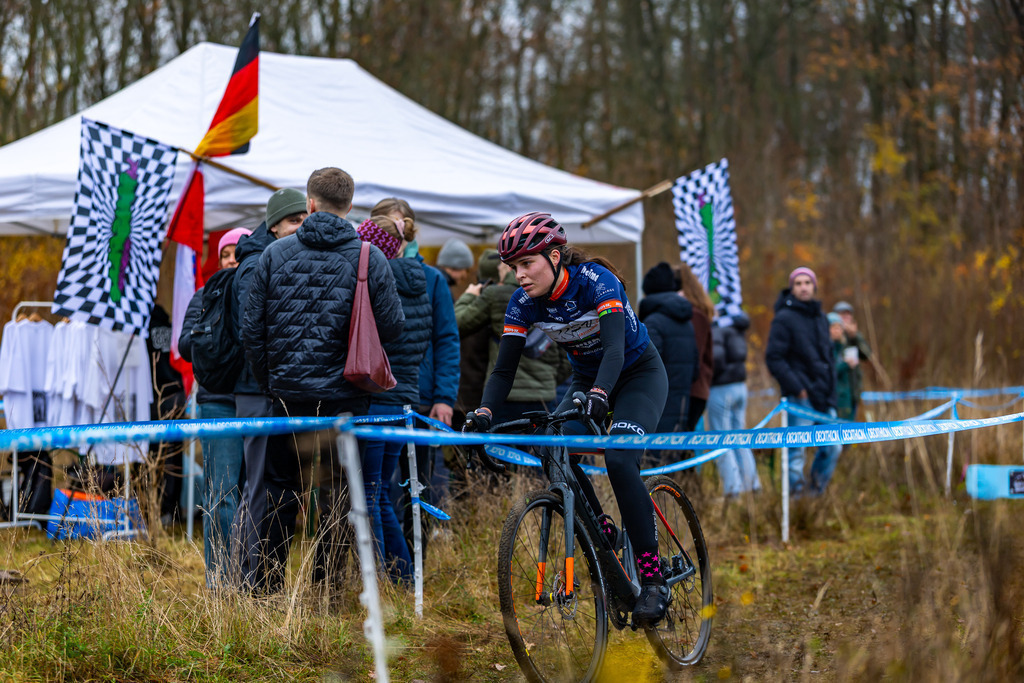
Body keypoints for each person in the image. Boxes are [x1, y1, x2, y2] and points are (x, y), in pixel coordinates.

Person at [463, 212, 671, 625]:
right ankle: (602, 527)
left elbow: (614, 351)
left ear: (555, 256)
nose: (519, 275)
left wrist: (599, 394)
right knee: (552, 448)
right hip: (587, 378)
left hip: (636, 374)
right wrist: (484, 412)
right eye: (513, 267)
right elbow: (503, 370)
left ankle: (653, 580)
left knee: (618, 459)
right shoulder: (522, 302)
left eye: (527, 264)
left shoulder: (596, 281)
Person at [242, 168, 404, 592]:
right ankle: (326, 591)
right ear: (350, 206)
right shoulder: (370, 257)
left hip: (286, 396)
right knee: (336, 497)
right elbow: (392, 328)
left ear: (309, 203)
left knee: (278, 494)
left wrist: (270, 381)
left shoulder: (274, 255)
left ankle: (267, 590)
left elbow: (251, 330)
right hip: (345, 396)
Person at [231, 187, 308, 589]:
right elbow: (256, 332)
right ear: (274, 224)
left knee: (259, 488)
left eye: (304, 221)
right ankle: (250, 582)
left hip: (269, 389)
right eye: (294, 221)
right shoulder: (256, 264)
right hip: (258, 390)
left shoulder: (274, 256)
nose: (300, 229)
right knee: (260, 490)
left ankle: (246, 577)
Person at [372, 198, 459, 554]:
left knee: (417, 483)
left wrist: (444, 397)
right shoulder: (367, 271)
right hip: (378, 392)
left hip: (420, 396)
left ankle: (414, 556)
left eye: (400, 225)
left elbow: (446, 337)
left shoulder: (433, 279)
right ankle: (389, 562)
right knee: (380, 486)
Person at [355, 215, 430, 584]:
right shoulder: (420, 281)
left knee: (369, 496)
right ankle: (404, 578)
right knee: (381, 494)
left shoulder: (377, 284)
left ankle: (382, 583)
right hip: (402, 398)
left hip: (377, 398)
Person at [178, 226, 251, 588]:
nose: (232, 259)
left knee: (256, 495)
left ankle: (253, 577)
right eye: (225, 254)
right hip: (217, 403)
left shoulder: (259, 290)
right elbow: (184, 346)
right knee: (221, 494)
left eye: (238, 252)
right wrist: (211, 334)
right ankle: (219, 580)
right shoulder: (204, 295)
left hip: (257, 404)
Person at [455, 250, 572, 423]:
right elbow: (567, 353)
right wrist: (549, 382)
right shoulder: (553, 292)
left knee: (500, 449)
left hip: (504, 397)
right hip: (544, 395)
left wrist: (468, 296)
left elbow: (457, 323)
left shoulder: (494, 295)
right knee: (540, 449)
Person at [765, 266, 841, 497]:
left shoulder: (821, 316)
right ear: (792, 288)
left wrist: (831, 391)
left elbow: (828, 356)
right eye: (798, 283)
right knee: (796, 453)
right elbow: (774, 358)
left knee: (833, 448)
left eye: (807, 282)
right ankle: (796, 502)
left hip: (824, 396)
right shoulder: (784, 318)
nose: (803, 287)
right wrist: (798, 388)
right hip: (800, 397)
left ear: (814, 286)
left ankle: (813, 496)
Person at [638, 262, 698, 435]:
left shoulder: (653, 322)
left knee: (656, 459)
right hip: (682, 404)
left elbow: (646, 365)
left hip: (657, 403)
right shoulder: (686, 322)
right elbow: (696, 368)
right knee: (674, 455)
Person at [708, 311, 761, 497]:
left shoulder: (716, 329)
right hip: (740, 386)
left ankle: (733, 489)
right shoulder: (736, 328)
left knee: (721, 438)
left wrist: (707, 376)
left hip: (721, 388)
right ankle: (752, 484)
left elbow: (716, 358)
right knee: (740, 436)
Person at [676, 262, 714, 432]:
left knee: (685, 442)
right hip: (692, 389)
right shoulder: (696, 314)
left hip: (693, 390)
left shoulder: (695, 316)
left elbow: (694, 355)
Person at [832, 301, 871, 419]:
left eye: (849, 315)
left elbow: (867, 355)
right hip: (837, 394)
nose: (846, 318)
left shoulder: (855, 336)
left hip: (853, 390)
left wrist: (855, 337)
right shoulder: (831, 335)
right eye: (843, 315)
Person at [829, 312, 856, 421]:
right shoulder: (827, 348)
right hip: (834, 398)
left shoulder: (842, 346)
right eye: (834, 328)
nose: (837, 331)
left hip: (846, 397)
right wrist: (845, 365)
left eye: (839, 328)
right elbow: (830, 371)